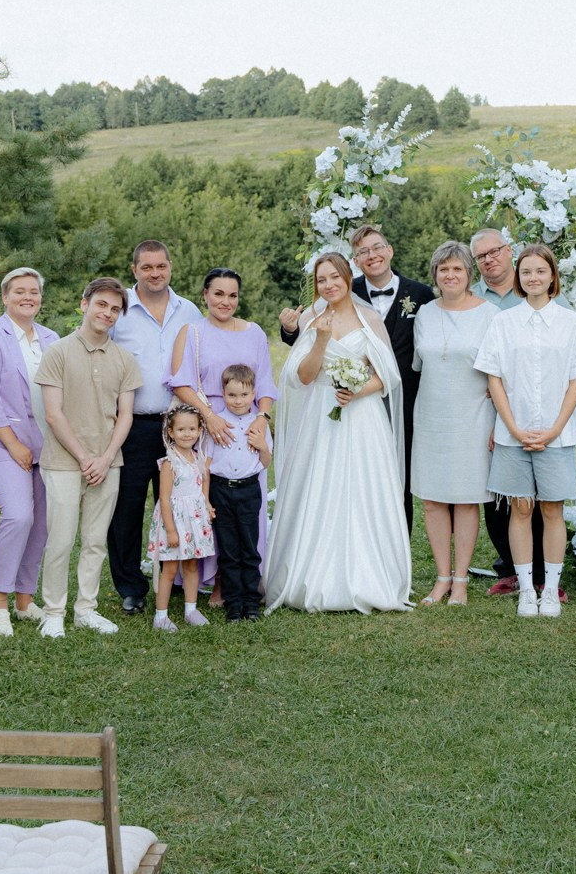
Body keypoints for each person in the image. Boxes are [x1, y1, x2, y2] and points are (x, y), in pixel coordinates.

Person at [266, 252, 414, 612]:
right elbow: (301, 377)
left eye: (334, 277)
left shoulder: (370, 319)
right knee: (320, 486)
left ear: (348, 278)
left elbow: (388, 376)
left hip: (363, 418)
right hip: (320, 414)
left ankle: (367, 576)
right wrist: (319, 340)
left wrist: (357, 390)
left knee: (362, 489)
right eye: (321, 280)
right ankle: (311, 574)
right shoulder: (311, 318)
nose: (329, 285)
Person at [475, 243, 576, 619]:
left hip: (557, 436)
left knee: (551, 509)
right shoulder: (503, 322)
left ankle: (550, 590)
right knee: (520, 508)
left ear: (552, 277)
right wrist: (512, 427)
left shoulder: (571, 322)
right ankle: (527, 589)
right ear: (519, 277)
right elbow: (494, 379)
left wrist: (554, 430)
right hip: (514, 433)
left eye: (540, 272)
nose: (533, 278)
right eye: (526, 272)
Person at [32, 277, 141, 638]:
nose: (107, 313)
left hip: (108, 462)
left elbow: (124, 415)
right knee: (61, 539)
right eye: (101, 305)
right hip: (64, 461)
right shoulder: (58, 352)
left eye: (114, 309)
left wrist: (106, 456)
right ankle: (53, 611)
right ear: (84, 304)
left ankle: (86, 609)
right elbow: (53, 414)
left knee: (95, 540)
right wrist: (84, 458)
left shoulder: (125, 360)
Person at [168, 268, 277, 609]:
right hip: (207, 426)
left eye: (232, 295)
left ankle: (243, 582)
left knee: (248, 507)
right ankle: (214, 582)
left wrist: (262, 417)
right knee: (211, 507)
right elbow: (179, 381)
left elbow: (267, 383)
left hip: (248, 428)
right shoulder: (192, 332)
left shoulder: (254, 332)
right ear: (205, 295)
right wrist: (210, 417)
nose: (225, 302)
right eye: (218, 294)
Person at [107, 240, 196, 615]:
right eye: (147, 267)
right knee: (126, 508)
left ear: (170, 267)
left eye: (161, 266)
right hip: (133, 425)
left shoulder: (188, 310)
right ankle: (131, 587)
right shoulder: (118, 310)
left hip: (179, 427)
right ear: (134, 270)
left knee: (179, 502)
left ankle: (175, 575)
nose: (155, 273)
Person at [467, 226, 555, 602]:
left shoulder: (552, 305)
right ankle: (509, 566)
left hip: (544, 414)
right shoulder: (474, 301)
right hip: (492, 409)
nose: (489, 259)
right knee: (500, 494)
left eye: (494, 251)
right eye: (481, 256)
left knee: (543, 495)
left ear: (510, 252)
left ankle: (541, 571)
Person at [0, 267, 59, 636]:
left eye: (34, 292)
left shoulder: (52, 338)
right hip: (5, 444)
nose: (28, 297)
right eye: (19, 291)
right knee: (18, 517)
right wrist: (13, 444)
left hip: (48, 446)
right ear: (5, 297)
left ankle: (25, 599)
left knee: (41, 524)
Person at [411, 242, 498, 606]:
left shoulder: (490, 314)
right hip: (431, 416)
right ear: (435, 275)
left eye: (457, 269)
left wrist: (499, 425)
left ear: (469, 275)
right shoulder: (425, 315)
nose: (450, 275)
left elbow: (499, 374)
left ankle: (461, 581)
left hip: (474, 417)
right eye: (443, 269)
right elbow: (419, 366)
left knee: (465, 500)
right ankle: (441, 578)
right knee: (433, 500)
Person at [207, 363, 273, 621]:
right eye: (232, 395)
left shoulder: (258, 425)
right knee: (229, 549)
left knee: (249, 547)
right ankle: (232, 603)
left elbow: (266, 462)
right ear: (223, 394)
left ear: (254, 394)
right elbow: (207, 465)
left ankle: (251, 602)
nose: (238, 401)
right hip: (221, 490)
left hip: (249, 490)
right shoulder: (217, 424)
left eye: (244, 395)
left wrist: (261, 446)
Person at [148, 403, 215, 632]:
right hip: (175, 522)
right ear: (170, 432)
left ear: (199, 430)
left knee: (191, 566)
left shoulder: (199, 458)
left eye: (192, 429)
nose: (187, 434)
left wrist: (206, 505)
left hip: (194, 521)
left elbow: (203, 485)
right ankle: (161, 616)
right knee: (169, 569)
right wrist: (171, 530)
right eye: (181, 430)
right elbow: (164, 499)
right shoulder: (169, 463)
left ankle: (191, 609)